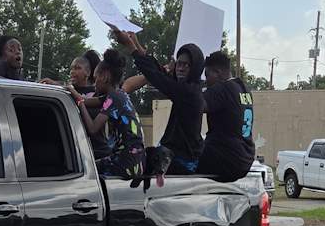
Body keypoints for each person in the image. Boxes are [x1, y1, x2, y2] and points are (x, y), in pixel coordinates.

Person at [113, 29, 205, 174]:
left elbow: (156, 76)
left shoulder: (189, 92)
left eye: (186, 65)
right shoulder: (185, 87)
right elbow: (158, 71)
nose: (180, 68)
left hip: (182, 163)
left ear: (195, 68)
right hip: (175, 156)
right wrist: (136, 44)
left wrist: (131, 46)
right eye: (179, 63)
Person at [78, 49, 145, 180]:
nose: (94, 82)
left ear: (105, 76)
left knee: (82, 171)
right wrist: (68, 89)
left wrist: (79, 103)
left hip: (126, 163)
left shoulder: (114, 97)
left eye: (96, 77)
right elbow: (85, 101)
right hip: (135, 161)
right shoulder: (118, 95)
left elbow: (92, 128)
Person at [198, 51, 255, 182]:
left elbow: (195, 105)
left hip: (225, 159)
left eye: (207, 75)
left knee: (181, 160)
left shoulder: (223, 89)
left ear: (218, 72)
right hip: (245, 157)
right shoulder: (243, 88)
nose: (206, 81)